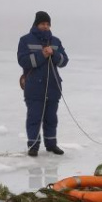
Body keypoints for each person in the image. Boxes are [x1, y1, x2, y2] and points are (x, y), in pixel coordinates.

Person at [17, 11, 69, 157]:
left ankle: (51, 145)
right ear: (36, 24)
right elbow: (23, 61)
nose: (45, 27)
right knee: (34, 118)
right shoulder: (25, 40)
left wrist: (55, 54)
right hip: (34, 87)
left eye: (47, 24)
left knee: (51, 118)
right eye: (42, 24)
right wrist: (42, 55)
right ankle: (33, 145)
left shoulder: (56, 41)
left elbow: (64, 61)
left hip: (53, 87)